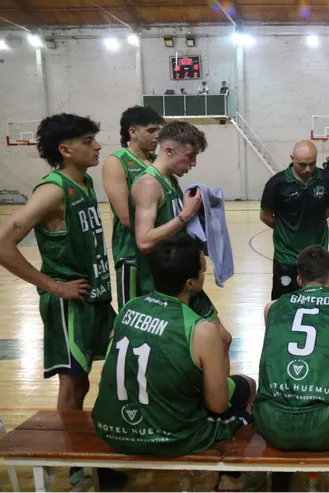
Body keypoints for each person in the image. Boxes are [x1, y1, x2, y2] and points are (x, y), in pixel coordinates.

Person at [0, 114, 127, 488]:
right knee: (72, 386)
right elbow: (3, 245)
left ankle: (87, 450)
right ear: (66, 149)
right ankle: (74, 463)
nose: (98, 146)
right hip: (69, 305)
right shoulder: (53, 190)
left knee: (95, 380)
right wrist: (54, 286)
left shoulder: (83, 181)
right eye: (89, 141)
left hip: (96, 299)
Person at [92, 235, 256, 492]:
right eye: (203, 268)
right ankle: (234, 477)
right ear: (190, 283)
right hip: (170, 438)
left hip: (111, 431)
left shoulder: (128, 309)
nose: (205, 271)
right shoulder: (200, 330)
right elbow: (218, 404)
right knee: (246, 388)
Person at [253, 246, 329, 492]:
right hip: (327, 425)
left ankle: (279, 483)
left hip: (273, 424)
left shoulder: (272, 307)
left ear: (298, 279)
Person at [131, 121, 233, 367]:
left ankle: (218, 398)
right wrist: (184, 216)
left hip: (183, 278)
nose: (193, 163)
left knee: (223, 339)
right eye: (190, 156)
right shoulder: (148, 183)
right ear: (168, 150)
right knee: (205, 344)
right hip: (163, 285)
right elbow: (144, 240)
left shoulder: (170, 181)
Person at [103, 105, 165, 309]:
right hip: (131, 255)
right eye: (151, 130)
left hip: (159, 251)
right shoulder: (117, 162)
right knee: (132, 316)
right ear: (133, 132)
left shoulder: (157, 162)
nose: (157, 136)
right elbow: (126, 218)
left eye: (159, 131)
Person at [260, 140, 329, 300]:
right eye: (302, 164)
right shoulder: (277, 184)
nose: (308, 169)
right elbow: (265, 216)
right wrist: (288, 230)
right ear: (292, 158)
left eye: (312, 164)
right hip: (287, 257)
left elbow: (327, 211)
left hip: (317, 257)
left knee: (318, 304)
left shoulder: (326, 179)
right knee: (284, 304)